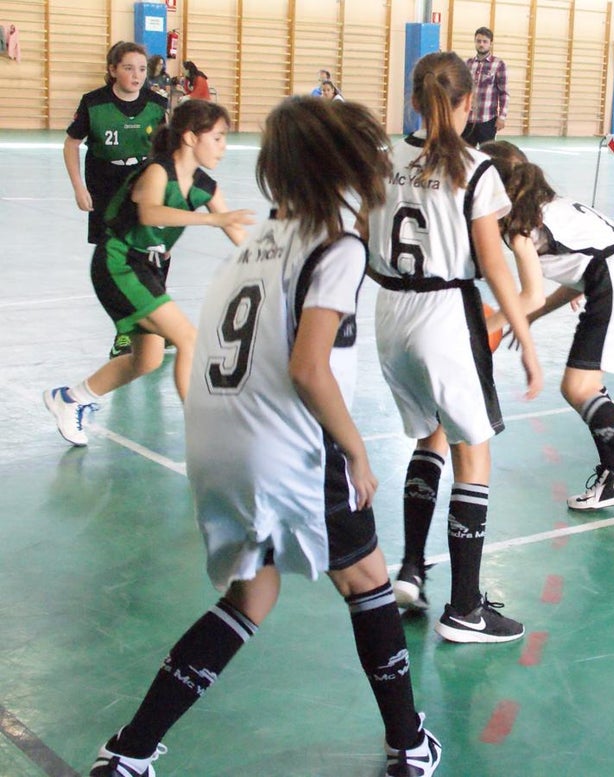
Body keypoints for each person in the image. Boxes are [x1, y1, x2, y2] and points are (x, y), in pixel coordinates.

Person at [86, 96, 442, 777]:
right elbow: (309, 368)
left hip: (218, 441)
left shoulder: (255, 243)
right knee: (367, 578)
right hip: (288, 445)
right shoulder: (336, 246)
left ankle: (129, 750)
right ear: (343, 165)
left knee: (252, 594)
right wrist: (356, 450)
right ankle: (409, 742)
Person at [365, 52, 542, 643]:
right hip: (444, 312)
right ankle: (465, 607)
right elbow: (492, 263)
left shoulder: (383, 159)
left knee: (429, 435)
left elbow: (359, 234)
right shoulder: (475, 168)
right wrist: (525, 335)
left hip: (389, 312)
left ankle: (412, 569)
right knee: (473, 452)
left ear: (415, 101)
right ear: (469, 103)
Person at [480, 140, 614, 525]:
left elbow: (529, 294)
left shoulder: (520, 227)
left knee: (578, 387)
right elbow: (579, 273)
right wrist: (530, 318)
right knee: (588, 385)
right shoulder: (552, 206)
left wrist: (481, 329)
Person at [44, 100, 254, 447]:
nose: (223, 147)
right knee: (189, 339)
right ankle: (206, 434)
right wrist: (210, 219)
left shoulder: (206, 187)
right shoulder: (157, 171)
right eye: (217, 138)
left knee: (147, 359)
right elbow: (151, 214)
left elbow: (237, 233)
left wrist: (275, 262)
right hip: (118, 262)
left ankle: (71, 398)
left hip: (145, 268)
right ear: (191, 137)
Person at [64, 41, 169, 360]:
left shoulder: (157, 104)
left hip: (145, 181)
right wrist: (79, 188)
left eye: (142, 69)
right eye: (128, 68)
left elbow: (166, 149)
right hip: (106, 185)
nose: (137, 75)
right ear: (112, 70)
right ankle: (124, 331)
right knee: (116, 259)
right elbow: (71, 144)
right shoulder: (93, 103)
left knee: (157, 252)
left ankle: (158, 323)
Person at [461, 27, 508, 147]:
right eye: (478, 41)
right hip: (468, 120)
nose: (481, 44)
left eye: (485, 41)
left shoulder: (498, 64)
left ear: (490, 43)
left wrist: (502, 117)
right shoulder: (468, 64)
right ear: (475, 42)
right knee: (466, 154)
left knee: (487, 153)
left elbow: (504, 93)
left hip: (487, 120)